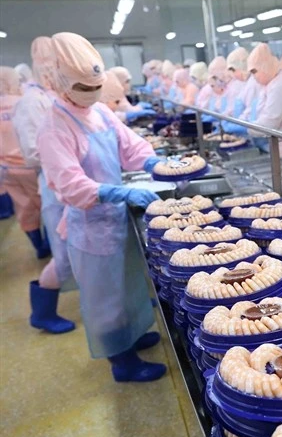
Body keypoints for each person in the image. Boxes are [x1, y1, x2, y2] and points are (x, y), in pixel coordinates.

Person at [37, 32, 166, 381]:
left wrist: (153, 163)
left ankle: (134, 335)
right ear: (64, 83)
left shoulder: (98, 113)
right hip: (91, 226)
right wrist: (118, 193)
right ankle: (122, 361)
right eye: (86, 89)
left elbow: (130, 144)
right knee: (106, 297)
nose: (93, 95)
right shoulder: (55, 126)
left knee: (129, 286)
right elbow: (70, 184)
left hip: (117, 219)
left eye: (97, 87)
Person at [12, 36, 76, 334]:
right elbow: (32, 152)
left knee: (77, 252)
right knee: (63, 256)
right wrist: (67, 156)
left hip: (71, 183)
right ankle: (42, 312)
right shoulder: (31, 102)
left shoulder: (51, 97)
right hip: (55, 187)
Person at [0, 66, 49, 258]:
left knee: (24, 207)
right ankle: (49, 245)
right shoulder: (23, 103)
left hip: (5, 169)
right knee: (44, 205)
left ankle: (38, 247)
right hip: (29, 166)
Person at [247, 43, 282, 164]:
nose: (253, 76)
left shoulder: (280, 86)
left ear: (265, 67)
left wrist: (247, 128)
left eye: (255, 71)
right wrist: (245, 120)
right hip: (276, 147)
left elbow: (269, 122)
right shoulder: (269, 85)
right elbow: (257, 112)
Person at [220, 48, 264, 135]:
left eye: (234, 70)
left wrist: (236, 124)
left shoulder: (253, 84)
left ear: (242, 67)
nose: (233, 75)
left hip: (255, 132)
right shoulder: (245, 83)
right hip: (248, 131)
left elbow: (251, 112)